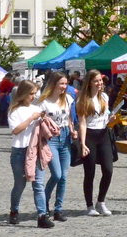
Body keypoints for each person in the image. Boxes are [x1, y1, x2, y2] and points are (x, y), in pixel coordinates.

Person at [8, 80, 54, 228]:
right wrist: (31, 119)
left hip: (36, 149)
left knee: (38, 184)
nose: (33, 96)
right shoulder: (14, 110)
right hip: (20, 151)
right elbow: (15, 130)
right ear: (23, 94)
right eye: (31, 94)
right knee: (20, 184)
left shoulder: (36, 108)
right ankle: (14, 210)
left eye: (35, 93)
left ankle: (42, 215)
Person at [38, 71, 77, 222]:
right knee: (57, 174)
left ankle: (58, 209)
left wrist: (73, 131)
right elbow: (38, 120)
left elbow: (69, 118)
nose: (64, 86)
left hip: (65, 137)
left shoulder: (68, 99)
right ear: (53, 84)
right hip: (51, 139)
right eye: (61, 83)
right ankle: (45, 203)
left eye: (66, 84)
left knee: (64, 177)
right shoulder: (43, 101)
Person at [77, 70, 114, 217]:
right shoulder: (83, 99)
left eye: (101, 81)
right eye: (96, 81)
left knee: (108, 169)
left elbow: (105, 117)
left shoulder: (104, 96)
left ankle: (101, 201)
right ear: (89, 82)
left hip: (103, 134)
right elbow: (82, 123)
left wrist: (111, 119)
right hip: (90, 135)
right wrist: (83, 143)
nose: (100, 84)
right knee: (90, 172)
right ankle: (89, 205)